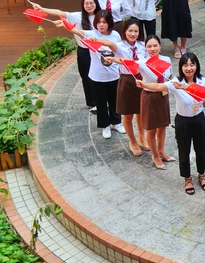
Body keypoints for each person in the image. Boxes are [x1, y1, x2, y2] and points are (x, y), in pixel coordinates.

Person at [137, 53, 205, 194]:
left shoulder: (202, 81)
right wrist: (144, 84)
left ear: (197, 66)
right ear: (181, 67)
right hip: (183, 121)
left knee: (201, 149)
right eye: (185, 65)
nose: (189, 68)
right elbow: (158, 86)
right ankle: (187, 179)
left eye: (192, 64)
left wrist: (201, 101)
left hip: (199, 119)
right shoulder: (175, 82)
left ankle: (202, 176)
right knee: (184, 150)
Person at [55, 10, 123, 139]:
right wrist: (64, 24)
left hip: (113, 75)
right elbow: (75, 30)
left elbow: (119, 52)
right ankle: (105, 126)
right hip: (97, 76)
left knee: (114, 101)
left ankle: (116, 122)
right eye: (99, 22)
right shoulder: (91, 34)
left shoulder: (115, 35)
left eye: (104, 22)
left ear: (109, 23)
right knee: (101, 102)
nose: (101, 25)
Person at [31, 0, 101, 113]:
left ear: (96, 4)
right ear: (83, 5)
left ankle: (103, 100)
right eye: (86, 3)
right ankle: (93, 103)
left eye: (91, 3)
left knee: (100, 76)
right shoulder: (77, 16)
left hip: (98, 51)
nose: (89, 6)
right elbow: (59, 12)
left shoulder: (101, 16)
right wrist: (41, 9)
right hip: (84, 51)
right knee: (86, 76)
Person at [99, 19, 147, 155]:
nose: (133, 34)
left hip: (141, 80)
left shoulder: (142, 45)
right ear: (125, 31)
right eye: (130, 30)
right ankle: (132, 141)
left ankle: (142, 137)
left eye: (136, 31)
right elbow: (109, 43)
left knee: (141, 112)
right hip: (127, 82)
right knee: (128, 114)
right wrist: (95, 40)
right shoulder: (120, 46)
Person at [135, 35, 175, 170]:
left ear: (160, 46)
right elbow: (126, 64)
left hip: (163, 96)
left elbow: (170, 76)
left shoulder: (166, 60)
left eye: (155, 45)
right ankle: (155, 155)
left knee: (163, 126)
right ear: (145, 48)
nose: (153, 49)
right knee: (152, 129)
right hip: (150, 97)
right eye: (149, 46)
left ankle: (161, 151)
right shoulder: (142, 62)